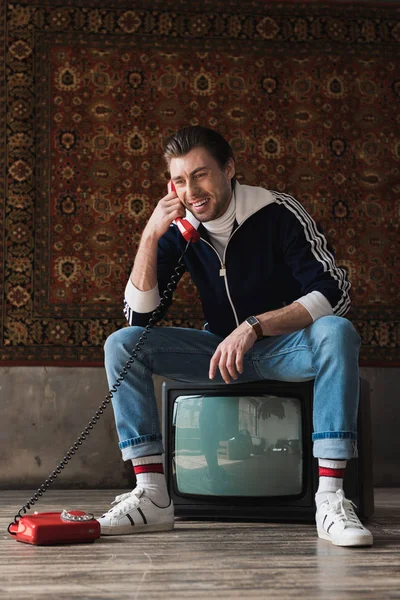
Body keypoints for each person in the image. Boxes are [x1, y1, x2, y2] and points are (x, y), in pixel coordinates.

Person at [97, 126, 373, 547]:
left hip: (286, 348)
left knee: (336, 330)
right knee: (122, 344)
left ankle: (331, 500)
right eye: (181, 181)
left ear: (229, 169)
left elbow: (335, 293)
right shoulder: (182, 231)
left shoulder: (278, 212)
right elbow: (139, 316)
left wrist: (256, 325)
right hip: (219, 355)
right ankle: (151, 495)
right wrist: (151, 236)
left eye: (202, 175)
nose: (192, 191)